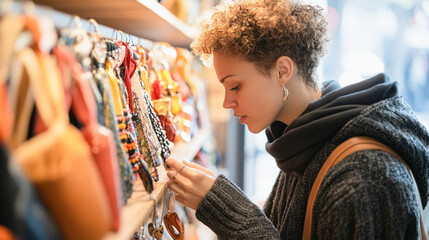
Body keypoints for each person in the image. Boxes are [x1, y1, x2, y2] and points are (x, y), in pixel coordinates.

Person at [165, 0, 429, 239]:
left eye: (235, 86)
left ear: (282, 71)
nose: (227, 102)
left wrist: (228, 211)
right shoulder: (302, 143)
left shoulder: (363, 177)